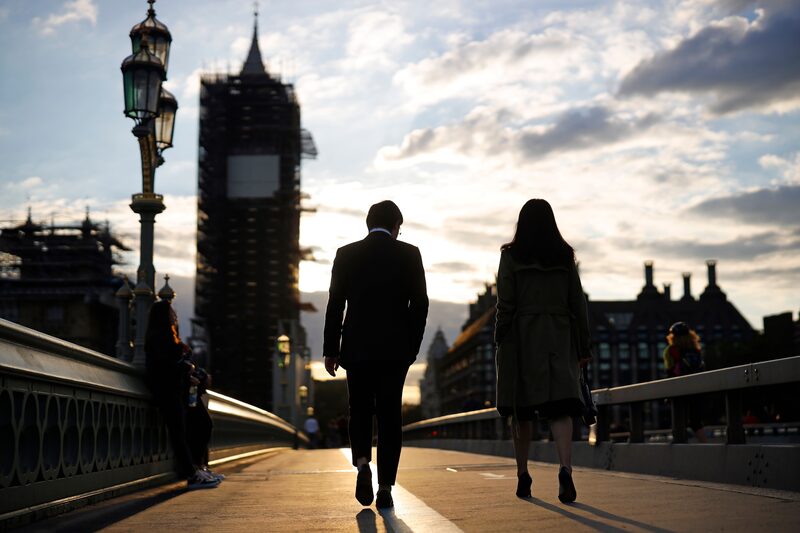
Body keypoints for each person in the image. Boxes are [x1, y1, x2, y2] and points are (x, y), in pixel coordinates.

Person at [323, 200, 428, 509]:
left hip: (355, 347)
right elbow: (420, 304)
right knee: (389, 416)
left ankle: (362, 464)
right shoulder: (409, 253)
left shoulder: (347, 254)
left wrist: (331, 350)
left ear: (368, 224)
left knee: (359, 410)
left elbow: (335, 304)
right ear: (396, 225)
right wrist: (412, 347)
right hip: (395, 350)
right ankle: (385, 486)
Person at [494, 199, 591, 503]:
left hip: (523, 339)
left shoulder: (510, 257)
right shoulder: (565, 256)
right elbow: (578, 302)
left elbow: (505, 303)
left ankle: (523, 475)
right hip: (560, 338)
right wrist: (583, 345)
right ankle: (565, 468)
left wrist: (501, 335)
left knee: (521, 410)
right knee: (561, 407)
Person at [145, 300, 221, 489]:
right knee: (179, 432)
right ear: (163, 315)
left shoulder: (171, 338)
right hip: (169, 391)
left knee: (202, 424)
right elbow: (164, 367)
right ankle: (192, 473)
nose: (175, 315)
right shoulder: (157, 338)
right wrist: (187, 371)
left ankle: (199, 468)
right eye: (171, 312)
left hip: (181, 390)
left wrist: (195, 374)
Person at [663, 321, 707, 443]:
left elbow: (670, 371)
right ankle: (705, 445)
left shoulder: (671, 350)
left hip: (679, 389)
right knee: (695, 421)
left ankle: (680, 443)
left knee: (678, 417)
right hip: (696, 388)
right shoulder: (695, 350)